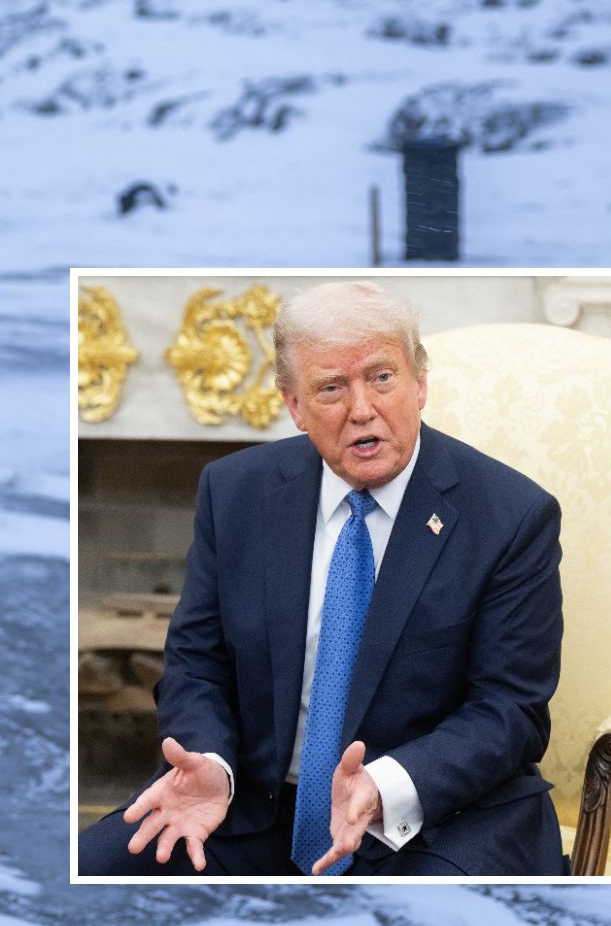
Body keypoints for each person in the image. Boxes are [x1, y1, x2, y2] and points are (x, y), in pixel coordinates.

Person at [77, 280, 565, 877]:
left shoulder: (511, 516)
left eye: (382, 378)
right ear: (295, 406)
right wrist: (211, 763)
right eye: (332, 387)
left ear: (420, 384)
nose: (362, 409)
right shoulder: (235, 493)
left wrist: (385, 787)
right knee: (89, 872)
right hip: (246, 806)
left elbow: (510, 709)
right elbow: (196, 661)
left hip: (431, 821)